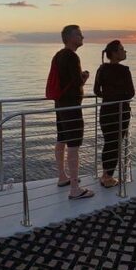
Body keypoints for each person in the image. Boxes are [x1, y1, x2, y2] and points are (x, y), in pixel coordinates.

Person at [53, 25, 94, 199]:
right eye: (79, 34)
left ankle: (62, 177)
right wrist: (84, 76)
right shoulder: (72, 56)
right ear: (70, 38)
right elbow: (77, 81)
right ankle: (75, 189)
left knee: (62, 139)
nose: (82, 37)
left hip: (60, 104)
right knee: (74, 145)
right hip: (71, 106)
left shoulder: (58, 55)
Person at [93, 40, 135, 188]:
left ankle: (105, 174)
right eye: (122, 49)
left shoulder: (101, 69)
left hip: (106, 111)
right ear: (115, 54)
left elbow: (97, 91)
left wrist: (109, 96)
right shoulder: (124, 70)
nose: (125, 52)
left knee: (108, 143)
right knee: (115, 144)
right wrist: (119, 96)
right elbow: (130, 93)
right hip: (120, 112)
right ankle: (108, 177)